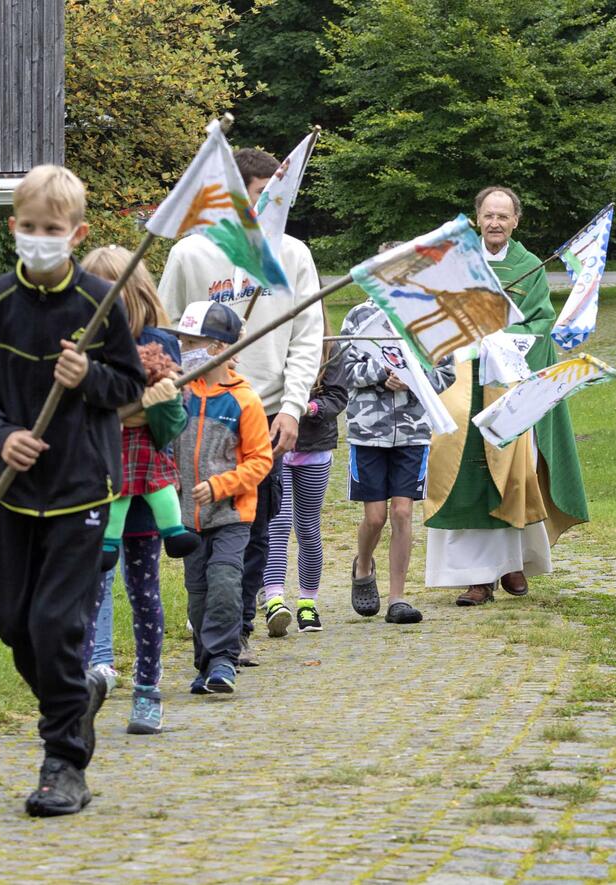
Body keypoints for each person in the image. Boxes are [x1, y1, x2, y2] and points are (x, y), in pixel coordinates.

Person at [0, 165, 144, 816]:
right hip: (13, 491)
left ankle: (64, 761)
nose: (40, 238)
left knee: (55, 623)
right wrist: (1, 434)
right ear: (13, 229)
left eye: (52, 229)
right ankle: (76, 696)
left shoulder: (99, 302)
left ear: (76, 232)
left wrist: (89, 373)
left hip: (82, 490)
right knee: (12, 620)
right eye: (29, 227)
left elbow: (130, 387)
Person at [159, 148, 323, 665]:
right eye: (255, 198)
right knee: (200, 528)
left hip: (264, 414)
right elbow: (166, 332)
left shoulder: (293, 255)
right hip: (200, 413)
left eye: (272, 199)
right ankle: (208, 621)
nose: (263, 209)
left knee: (253, 528)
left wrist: (293, 407)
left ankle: (238, 628)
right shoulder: (191, 254)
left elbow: (307, 336)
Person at [424, 187, 588, 604]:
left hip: (509, 384)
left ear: (516, 221)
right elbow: (437, 316)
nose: (495, 222)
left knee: (515, 473)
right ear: (477, 218)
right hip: (463, 382)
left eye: (503, 216)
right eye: (488, 215)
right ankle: (477, 577)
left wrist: (498, 338)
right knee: (467, 472)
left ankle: (513, 564)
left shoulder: (528, 266)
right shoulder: (458, 262)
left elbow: (539, 325)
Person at [79, 245, 191, 734]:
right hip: (92, 488)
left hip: (147, 488)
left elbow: (172, 429)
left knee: (144, 592)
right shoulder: (78, 347)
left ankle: (148, 690)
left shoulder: (161, 343)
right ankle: (82, 687)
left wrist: (161, 405)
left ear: (136, 291)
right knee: (89, 590)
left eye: (112, 291)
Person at [170, 302, 273, 693]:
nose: (183, 347)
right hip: (188, 517)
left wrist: (220, 485)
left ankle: (224, 661)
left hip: (231, 515)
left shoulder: (244, 400)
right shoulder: (178, 393)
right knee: (198, 594)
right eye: (182, 339)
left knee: (226, 582)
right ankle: (205, 664)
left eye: (192, 341)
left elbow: (261, 460)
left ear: (217, 348)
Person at [341, 277, 456, 624]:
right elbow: (345, 370)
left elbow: (446, 373)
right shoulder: (359, 317)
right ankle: (363, 566)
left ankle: (397, 598)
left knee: (403, 513)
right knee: (375, 517)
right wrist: (382, 373)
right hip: (368, 431)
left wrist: (412, 377)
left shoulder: (429, 318)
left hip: (412, 431)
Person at [260, 303, 348, 634]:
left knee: (308, 528)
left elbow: (338, 398)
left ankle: (308, 603)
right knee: (277, 525)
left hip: (314, 447)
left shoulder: (331, 346)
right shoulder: (272, 344)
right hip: (276, 447)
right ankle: (274, 600)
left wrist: (305, 406)